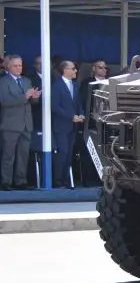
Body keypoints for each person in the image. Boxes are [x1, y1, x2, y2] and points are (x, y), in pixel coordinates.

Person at [0, 55, 41, 190]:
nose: (18, 68)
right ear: (8, 67)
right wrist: (25, 97)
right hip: (10, 124)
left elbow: (31, 102)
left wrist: (35, 98)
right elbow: (5, 101)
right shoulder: (3, 82)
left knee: (23, 155)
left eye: (20, 65)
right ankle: (6, 182)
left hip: (26, 123)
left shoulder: (26, 81)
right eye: (15, 66)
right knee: (8, 154)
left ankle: (20, 181)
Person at [50, 60, 85, 189]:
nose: (75, 71)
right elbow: (55, 106)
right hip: (61, 126)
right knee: (62, 152)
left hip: (73, 126)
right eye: (73, 68)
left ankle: (65, 180)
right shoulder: (57, 86)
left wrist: (81, 114)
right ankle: (58, 181)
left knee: (69, 153)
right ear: (65, 70)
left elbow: (78, 104)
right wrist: (71, 117)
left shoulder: (75, 86)